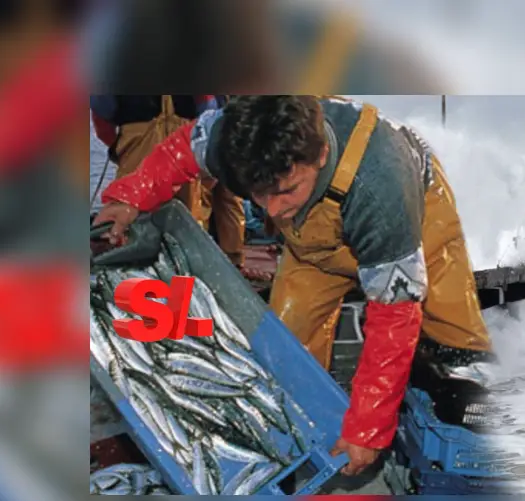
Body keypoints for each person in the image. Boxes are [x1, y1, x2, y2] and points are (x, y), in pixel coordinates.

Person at [93, 95, 495, 476]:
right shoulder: (234, 139)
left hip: (417, 213)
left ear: (320, 155)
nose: (272, 209)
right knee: (283, 351)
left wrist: (368, 429)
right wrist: (130, 197)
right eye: (260, 193)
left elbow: (395, 313)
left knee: (455, 333)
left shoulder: (381, 188)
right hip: (313, 245)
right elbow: (181, 151)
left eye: (286, 190)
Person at [90, 95, 253, 277]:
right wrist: (130, 194)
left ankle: (206, 273)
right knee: (179, 228)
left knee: (185, 227)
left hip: (171, 149)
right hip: (171, 150)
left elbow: (102, 120)